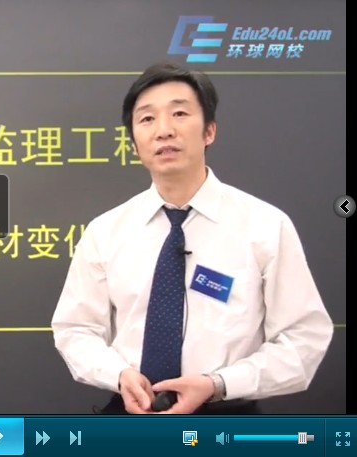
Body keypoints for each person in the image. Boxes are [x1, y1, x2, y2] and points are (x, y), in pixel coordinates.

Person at [51, 61, 334, 415]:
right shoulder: (105, 231)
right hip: (131, 414)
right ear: (134, 142)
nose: (164, 130)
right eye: (147, 119)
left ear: (209, 131)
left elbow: (304, 338)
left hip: (226, 417)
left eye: (180, 113)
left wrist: (218, 383)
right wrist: (119, 375)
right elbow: (75, 329)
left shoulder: (265, 225)